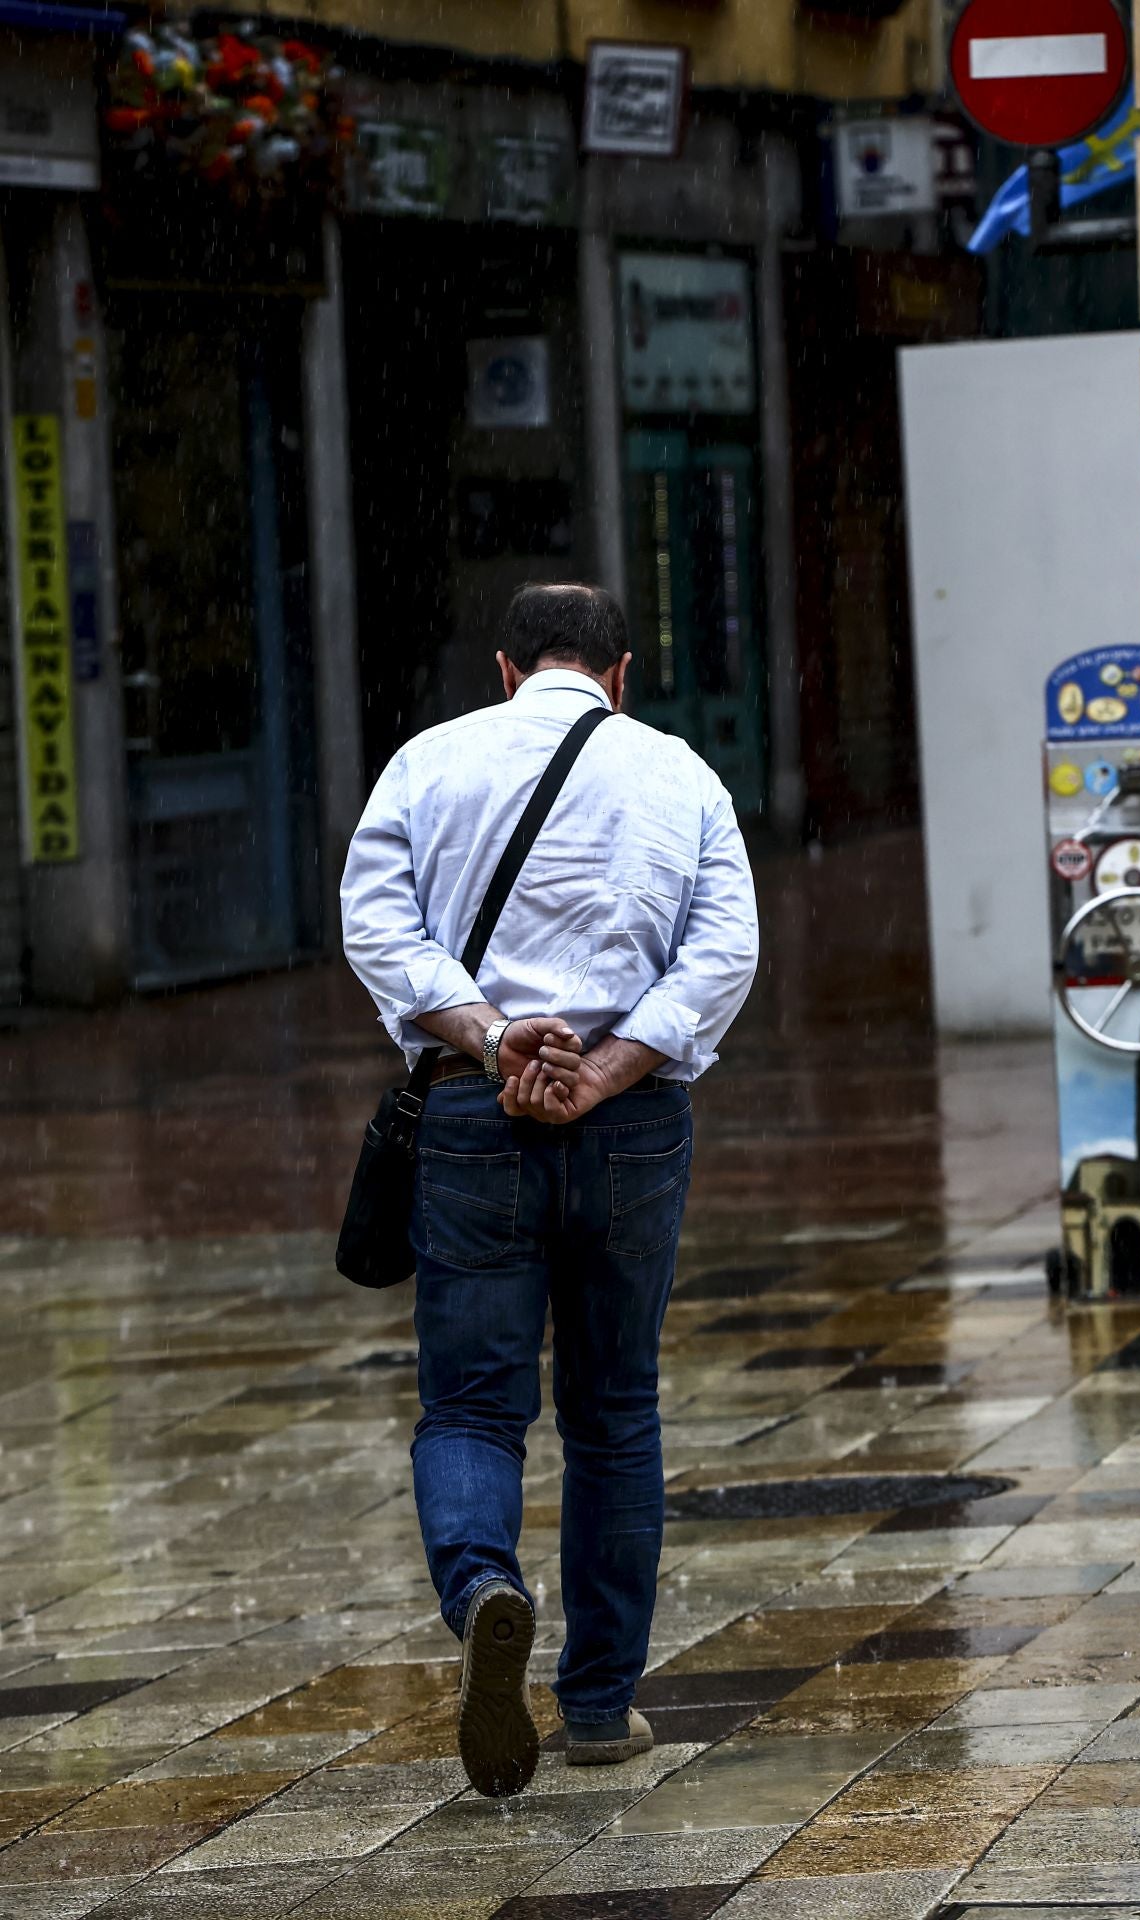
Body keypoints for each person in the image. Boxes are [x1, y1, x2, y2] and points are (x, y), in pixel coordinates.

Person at [341, 583, 758, 1797]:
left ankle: (483, 1590)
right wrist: (613, 1063)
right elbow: (722, 950)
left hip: (476, 1117)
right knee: (613, 1410)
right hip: (630, 1124)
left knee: (471, 1406)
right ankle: (596, 1707)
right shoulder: (679, 773)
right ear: (621, 673)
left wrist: (490, 1039)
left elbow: (378, 930)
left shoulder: (429, 760)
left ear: (505, 668)